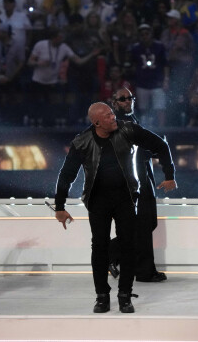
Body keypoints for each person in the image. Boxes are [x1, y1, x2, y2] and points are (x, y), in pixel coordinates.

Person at [53, 102, 177, 313]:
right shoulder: (82, 142)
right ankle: (102, 296)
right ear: (96, 122)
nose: (113, 118)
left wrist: (169, 175)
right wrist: (60, 206)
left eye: (112, 113)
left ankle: (124, 296)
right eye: (108, 116)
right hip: (97, 200)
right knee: (99, 249)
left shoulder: (128, 129)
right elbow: (66, 175)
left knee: (128, 246)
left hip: (126, 198)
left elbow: (162, 145)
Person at [108, 87, 168, 283]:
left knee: (146, 223)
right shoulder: (116, 124)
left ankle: (112, 255)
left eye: (130, 98)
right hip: (130, 184)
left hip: (143, 178)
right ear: (114, 103)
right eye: (123, 98)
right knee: (142, 225)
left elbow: (139, 149)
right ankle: (142, 271)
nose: (128, 101)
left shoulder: (132, 121)